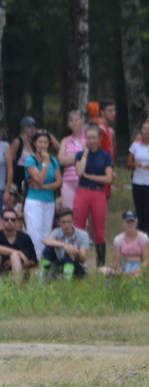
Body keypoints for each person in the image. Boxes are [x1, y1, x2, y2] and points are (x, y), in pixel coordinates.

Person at [74, 124, 115, 267]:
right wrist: (85, 153)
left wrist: (89, 176)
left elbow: (108, 179)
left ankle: (101, 265)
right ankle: (78, 263)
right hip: (82, 191)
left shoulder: (105, 155)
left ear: (99, 139)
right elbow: (80, 172)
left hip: (98, 192)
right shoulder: (80, 155)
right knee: (78, 227)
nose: (91, 141)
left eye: (94, 138)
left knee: (99, 230)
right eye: (88, 138)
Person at [23, 130, 62, 259]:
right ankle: (36, 261)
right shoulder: (31, 160)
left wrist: (44, 186)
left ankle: (45, 261)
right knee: (35, 234)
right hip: (34, 200)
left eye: (45, 142)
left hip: (49, 200)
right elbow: (38, 179)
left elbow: (59, 182)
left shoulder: (54, 161)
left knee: (46, 233)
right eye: (40, 142)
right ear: (35, 143)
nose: (43, 145)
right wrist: (45, 163)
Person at [41, 207, 89, 279]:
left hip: (77, 266)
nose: (66, 225)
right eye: (63, 222)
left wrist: (76, 251)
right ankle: (43, 275)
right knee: (47, 249)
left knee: (69, 252)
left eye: (69, 222)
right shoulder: (57, 231)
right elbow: (46, 241)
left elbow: (83, 260)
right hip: (60, 262)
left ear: (72, 220)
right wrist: (64, 245)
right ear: (58, 222)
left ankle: (67, 280)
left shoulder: (82, 234)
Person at [57, 110, 87, 209]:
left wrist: (69, 159)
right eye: (71, 120)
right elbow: (61, 160)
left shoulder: (87, 140)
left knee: (82, 210)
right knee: (68, 210)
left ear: (82, 122)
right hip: (67, 181)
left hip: (83, 180)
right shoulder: (65, 140)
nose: (74, 123)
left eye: (76, 120)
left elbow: (90, 158)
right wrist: (80, 157)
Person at [108, 210, 149, 276]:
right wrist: (120, 271)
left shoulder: (143, 237)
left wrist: (136, 271)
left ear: (136, 222)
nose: (130, 224)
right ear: (122, 223)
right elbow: (116, 262)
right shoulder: (118, 239)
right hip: (124, 267)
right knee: (101, 270)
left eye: (132, 221)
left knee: (136, 277)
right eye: (127, 222)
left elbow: (146, 261)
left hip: (139, 266)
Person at [0, 208, 36, 281]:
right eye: (6, 219)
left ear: (16, 221)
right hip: (2, 269)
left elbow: (34, 261)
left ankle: (16, 288)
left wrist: (22, 263)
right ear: (2, 221)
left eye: (12, 219)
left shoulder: (25, 238)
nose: (9, 222)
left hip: (21, 271)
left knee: (15, 256)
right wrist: (19, 252)